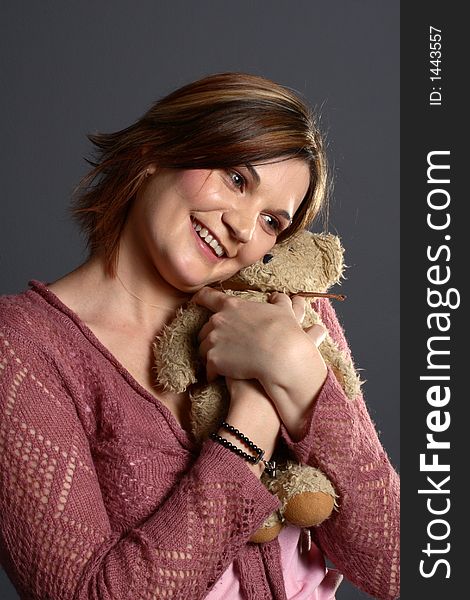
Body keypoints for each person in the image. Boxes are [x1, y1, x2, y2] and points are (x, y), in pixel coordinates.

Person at [0, 72, 399, 600]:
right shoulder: (22, 349)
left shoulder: (287, 317)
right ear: (155, 152)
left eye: (272, 222)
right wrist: (251, 424)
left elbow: (401, 564)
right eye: (236, 178)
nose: (242, 226)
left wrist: (300, 377)